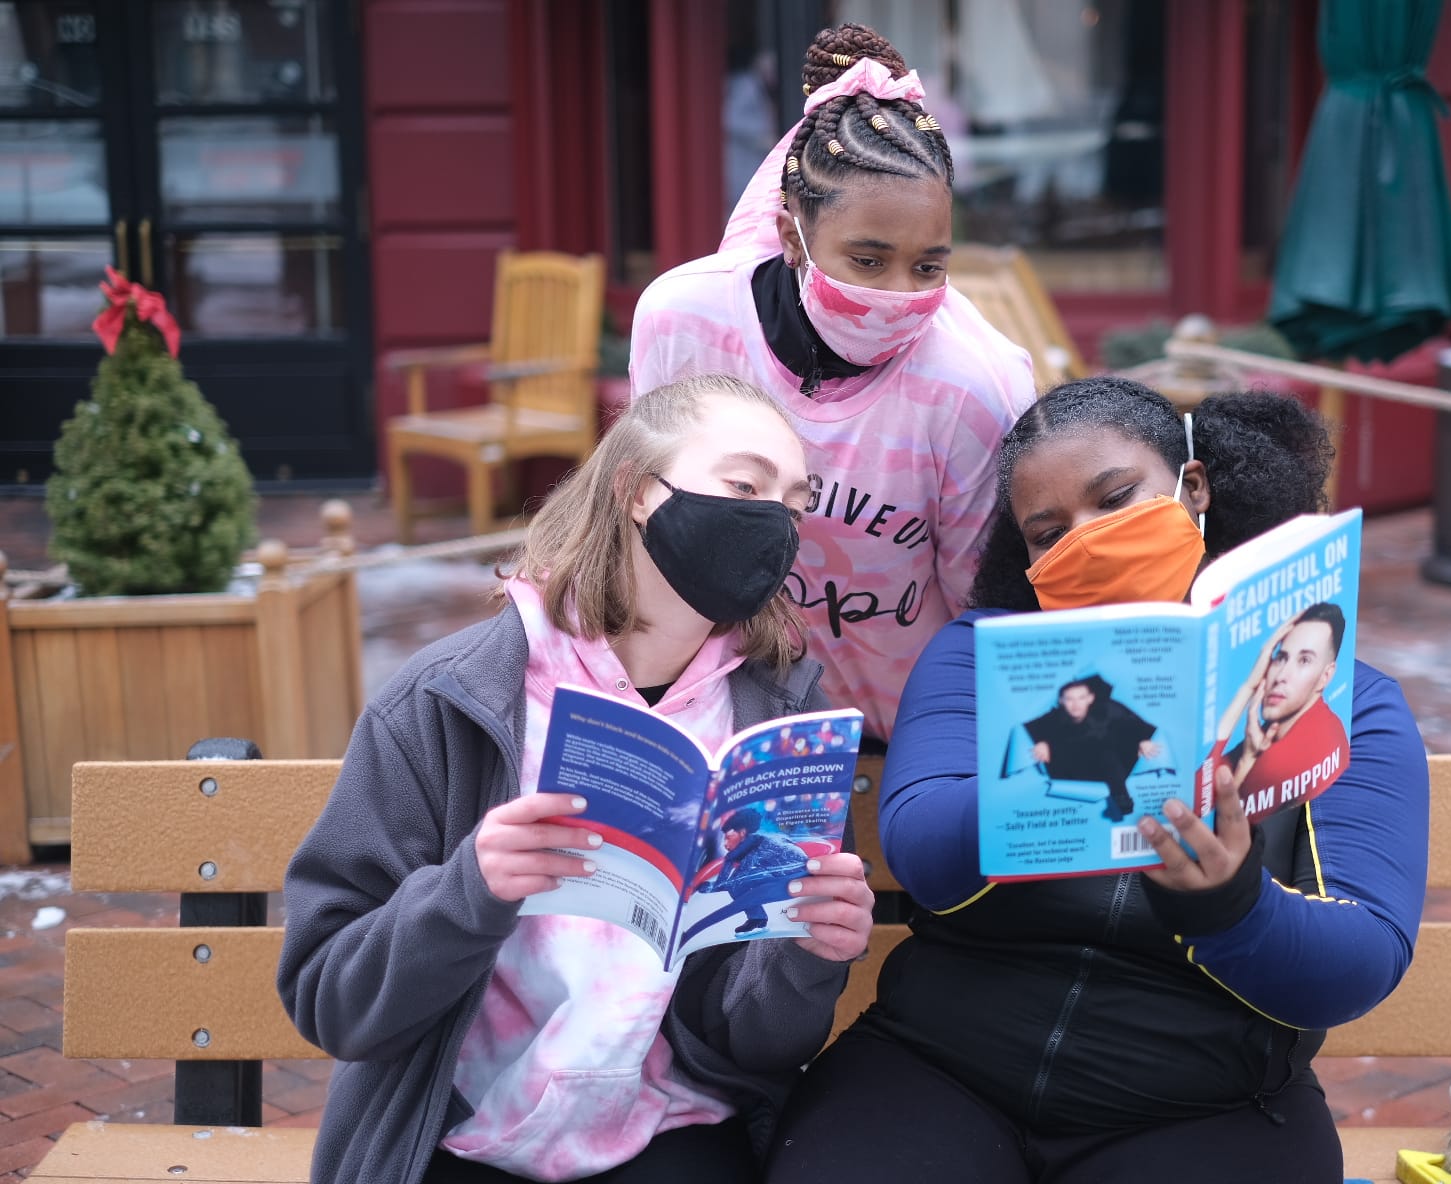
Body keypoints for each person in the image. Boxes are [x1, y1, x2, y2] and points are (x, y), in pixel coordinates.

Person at [765, 378, 1430, 1184]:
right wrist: (1048, 768)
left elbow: (1360, 957)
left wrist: (1227, 904)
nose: (1085, 540)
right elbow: (923, 849)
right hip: (943, 1069)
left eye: (1115, 499)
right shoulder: (984, 654)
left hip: (1208, 1104)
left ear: (1193, 488)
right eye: (1048, 533)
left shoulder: (1332, 695)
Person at [278, 375, 874, 1184]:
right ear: (636, 492)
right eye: (743, 486)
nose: (773, 522)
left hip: (668, 1117)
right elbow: (333, 1003)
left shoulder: (777, 722)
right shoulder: (447, 699)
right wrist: (470, 890)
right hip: (456, 1125)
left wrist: (809, 953)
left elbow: (754, 1044)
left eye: (795, 504)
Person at [629, 22, 1037, 743]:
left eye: (929, 266)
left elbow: (987, 608)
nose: (900, 294)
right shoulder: (684, 324)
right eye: (869, 261)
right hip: (718, 719)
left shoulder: (975, 388)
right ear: (792, 237)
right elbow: (637, 523)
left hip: (909, 736)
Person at [1215, 603, 1350, 808]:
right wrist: (1250, 685)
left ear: (1326, 676)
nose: (1281, 676)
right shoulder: (1269, 734)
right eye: (1280, 657)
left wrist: (1246, 763)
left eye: (1304, 660)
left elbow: (1200, 821)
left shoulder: (1292, 754)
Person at [1020, 675, 1161, 821]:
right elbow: (1029, 729)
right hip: (1074, 770)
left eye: (1081, 698)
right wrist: (1042, 742)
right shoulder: (1054, 716)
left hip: (1110, 766)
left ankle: (1121, 797)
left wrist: (1143, 740)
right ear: (1061, 701)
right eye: (1069, 699)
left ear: (1090, 698)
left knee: (1108, 753)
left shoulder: (1108, 709)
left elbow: (1137, 725)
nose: (1076, 704)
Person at [699, 807, 816, 935]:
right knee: (738, 885)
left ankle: (756, 918)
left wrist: (714, 887)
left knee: (739, 882)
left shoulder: (763, 845)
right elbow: (730, 873)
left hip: (796, 876)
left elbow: (740, 876)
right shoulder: (750, 845)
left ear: (742, 833)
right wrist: (716, 884)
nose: (725, 844)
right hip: (778, 874)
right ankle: (757, 919)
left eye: (728, 837)